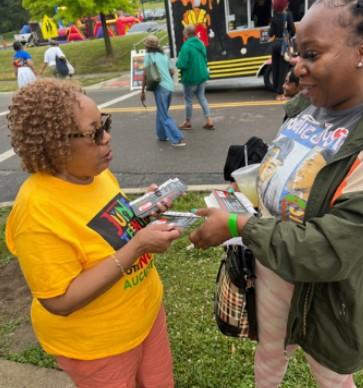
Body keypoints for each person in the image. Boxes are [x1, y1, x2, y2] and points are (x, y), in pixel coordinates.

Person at [190, 0, 363, 387]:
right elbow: (286, 171)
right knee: (269, 354)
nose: (296, 65)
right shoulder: (306, 107)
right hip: (271, 265)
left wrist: (235, 225)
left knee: (331, 376)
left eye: (311, 54)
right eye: (296, 52)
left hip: (328, 293)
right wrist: (247, 194)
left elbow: (329, 250)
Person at [5, 79, 182, 387]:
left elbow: (110, 227)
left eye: (105, 124)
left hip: (145, 315)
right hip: (98, 346)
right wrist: (137, 247)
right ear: (55, 144)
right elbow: (60, 300)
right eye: (95, 132)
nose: (107, 137)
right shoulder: (36, 212)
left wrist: (141, 215)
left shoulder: (94, 174)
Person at [141, 35, 186, 147]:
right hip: (169, 86)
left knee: (164, 115)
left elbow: (146, 74)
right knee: (162, 111)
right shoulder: (164, 55)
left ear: (147, 46)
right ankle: (161, 135)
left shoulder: (148, 56)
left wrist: (142, 91)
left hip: (160, 87)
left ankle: (177, 138)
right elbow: (172, 71)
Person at [176, 24, 214, 130]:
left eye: (184, 33)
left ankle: (187, 122)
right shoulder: (201, 43)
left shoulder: (186, 46)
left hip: (190, 77)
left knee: (188, 99)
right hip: (202, 75)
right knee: (202, 97)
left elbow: (182, 64)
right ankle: (209, 120)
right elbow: (205, 59)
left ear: (187, 34)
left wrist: (178, 63)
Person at [269, 0, 295, 99]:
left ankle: (276, 90)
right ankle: (281, 93)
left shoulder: (273, 17)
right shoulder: (288, 15)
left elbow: (271, 33)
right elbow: (292, 30)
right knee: (283, 70)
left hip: (275, 45)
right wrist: (288, 37)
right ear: (284, 5)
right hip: (283, 45)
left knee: (275, 68)